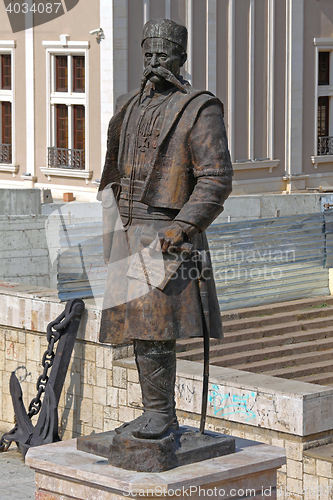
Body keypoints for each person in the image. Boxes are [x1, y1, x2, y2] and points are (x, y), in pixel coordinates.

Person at [97, 18, 233, 440]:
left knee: (156, 328)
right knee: (138, 330)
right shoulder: (128, 106)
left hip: (165, 234)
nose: (155, 63)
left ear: (181, 59)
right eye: (149, 55)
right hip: (129, 228)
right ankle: (155, 412)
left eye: (164, 56)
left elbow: (216, 177)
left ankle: (162, 415)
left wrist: (184, 224)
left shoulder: (199, 108)